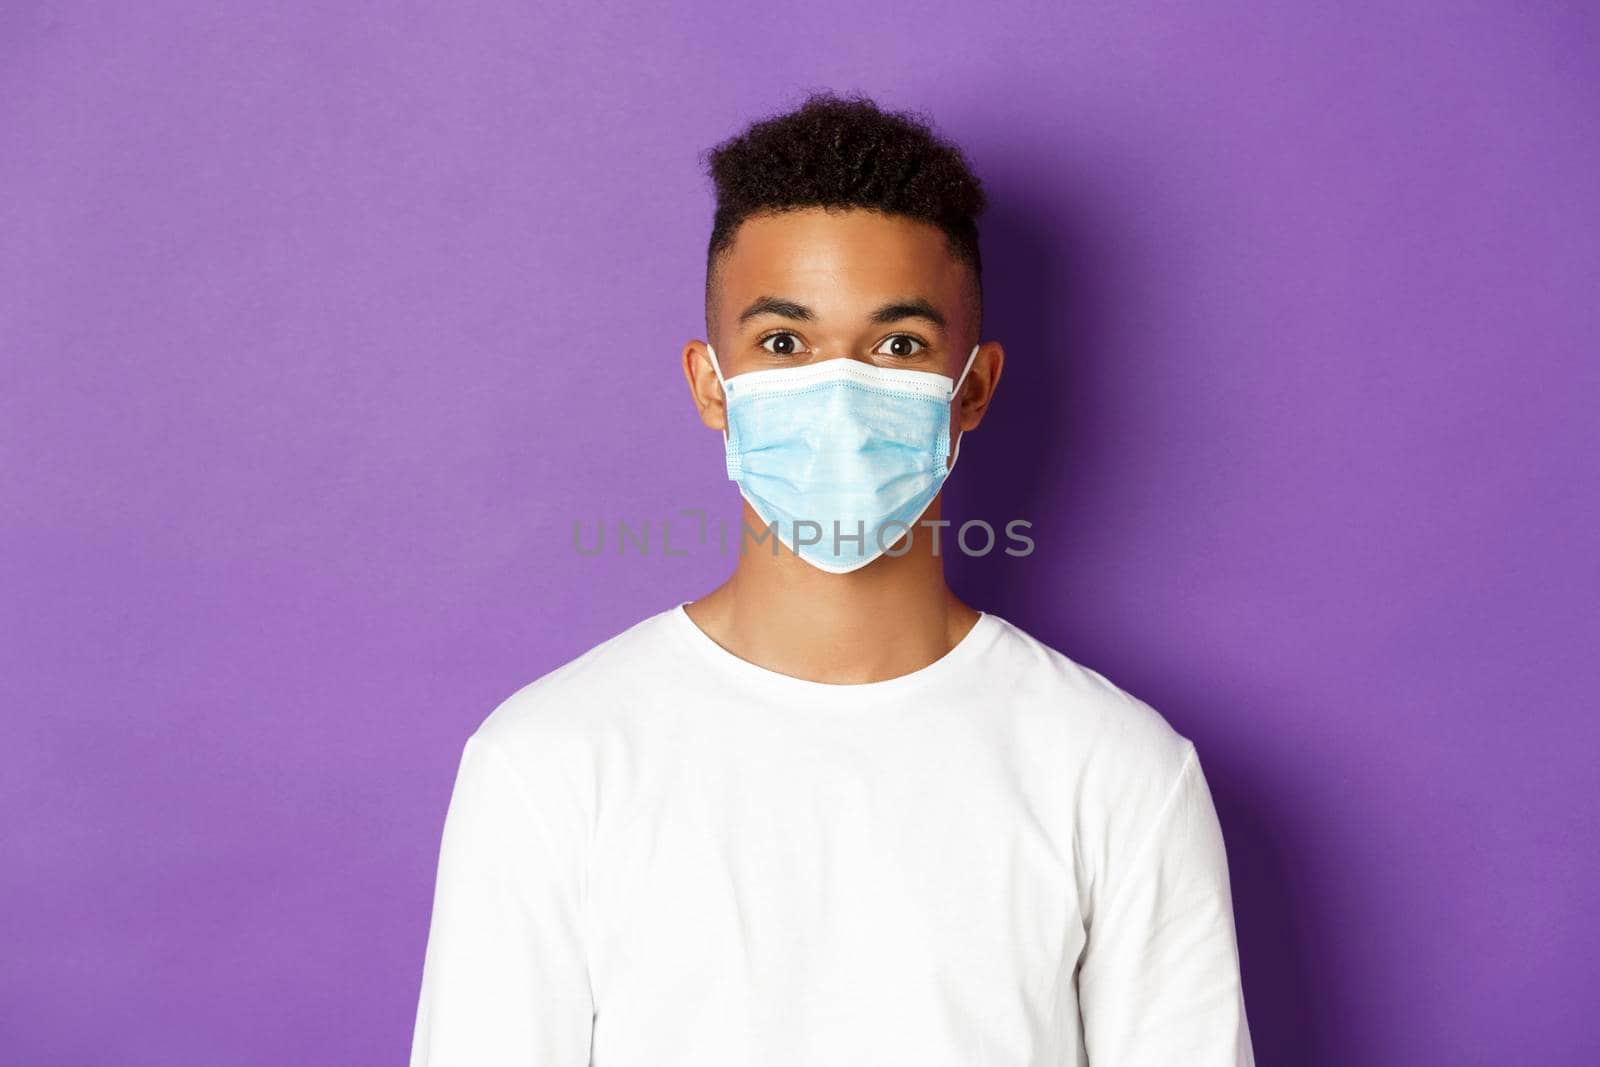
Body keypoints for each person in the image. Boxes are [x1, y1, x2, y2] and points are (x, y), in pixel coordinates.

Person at [409, 90, 1256, 1066]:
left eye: (898, 345)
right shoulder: (550, 762)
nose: (841, 392)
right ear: (707, 384)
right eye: (783, 343)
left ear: (970, 388)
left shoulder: (1116, 773)